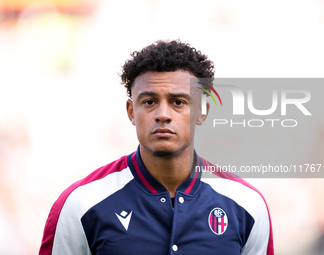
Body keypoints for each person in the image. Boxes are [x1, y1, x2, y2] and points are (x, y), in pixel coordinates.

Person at [39, 40, 274, 255]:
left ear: (202, 112)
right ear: (132, 112)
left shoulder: (247, 205)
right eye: (149, 102)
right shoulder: (81, 204)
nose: (163, 115)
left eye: (178, 102)